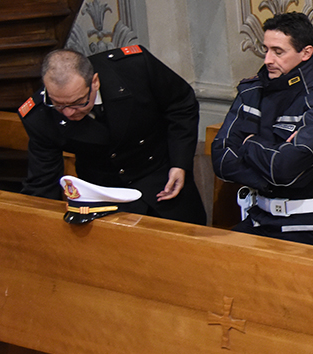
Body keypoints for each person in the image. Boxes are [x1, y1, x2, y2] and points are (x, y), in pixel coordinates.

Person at [212, 12, 313, 248]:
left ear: (306, 53)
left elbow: (286, 168)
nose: (268, 59)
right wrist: (272, 170)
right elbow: (221, 159)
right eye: (265, 49)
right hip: (260, 217)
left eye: (278, 52)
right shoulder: (252, 90)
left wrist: (248, 144)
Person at [20, 46, 204, 225]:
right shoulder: (39, 116)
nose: (68, 113)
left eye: (78, 102)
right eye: (58, 104)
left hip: (161, 178)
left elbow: (181, 105)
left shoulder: (134, 67)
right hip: (104, 196)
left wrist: (180, 163)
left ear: (95, 82)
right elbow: (42, 182)